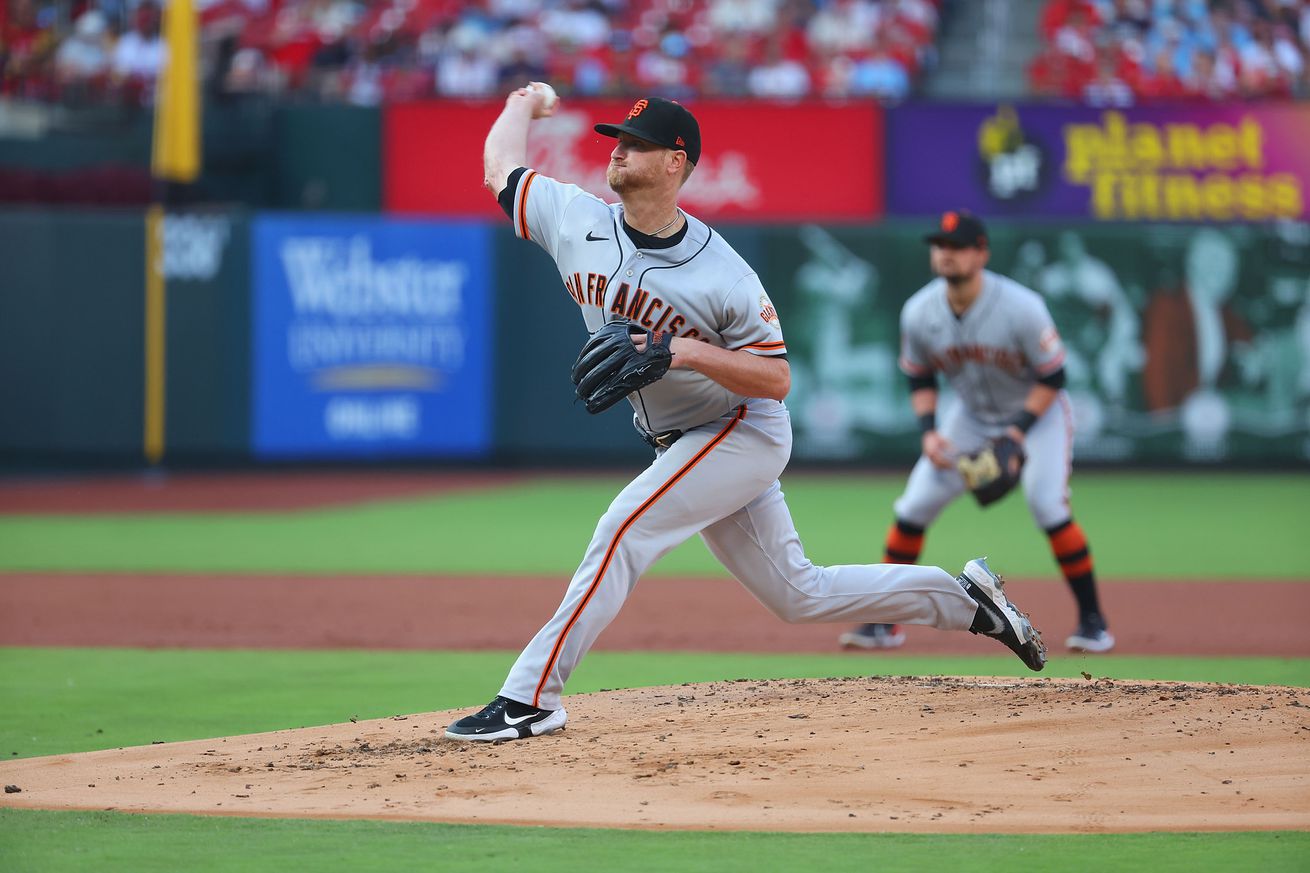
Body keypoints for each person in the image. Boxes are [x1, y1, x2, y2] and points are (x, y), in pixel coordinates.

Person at [445, 89, 1047, 743]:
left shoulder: (722, 272)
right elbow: (501, 169)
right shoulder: (574, 219)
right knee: (799, 594)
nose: (617, 148)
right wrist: (520, 103)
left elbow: (778, 377)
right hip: (681, 439)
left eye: (636, 142)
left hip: (741, 427)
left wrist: (678, 349)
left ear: (676, 162)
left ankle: (531, 696)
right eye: (616, 138)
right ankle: (966, 599)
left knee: (623, 529)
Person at [839, 211, 1114, 656]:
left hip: (1036, 415)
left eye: (958, 246)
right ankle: (882, 623)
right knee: (913, 506)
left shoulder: (1021, 306)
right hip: (968, 415)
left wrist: (1017, 434)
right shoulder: (920, 311)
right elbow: (920, 376)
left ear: (981, 253)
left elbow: (1054, 375)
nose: (947, 254)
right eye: (940, 245)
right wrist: (929, 433)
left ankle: (1094, 622)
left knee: (1047, 505)